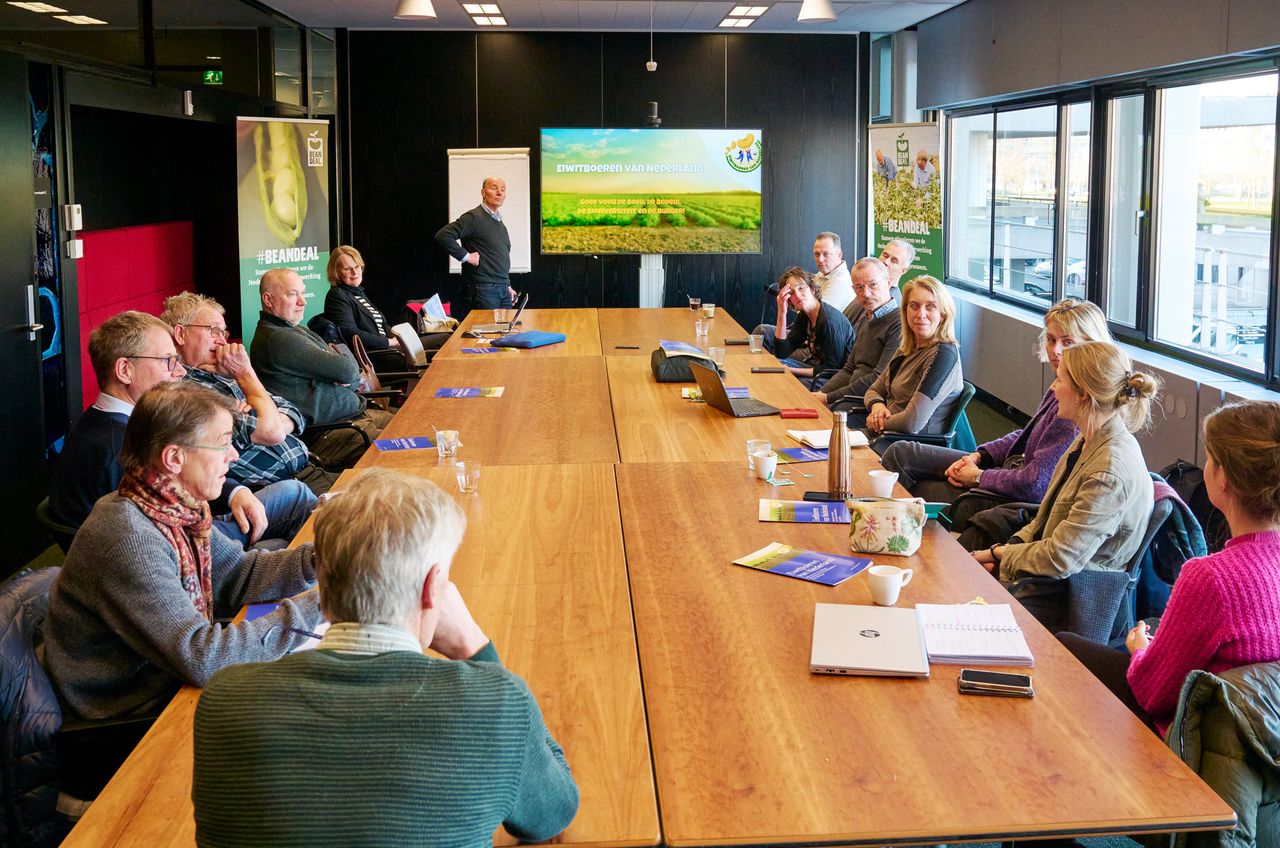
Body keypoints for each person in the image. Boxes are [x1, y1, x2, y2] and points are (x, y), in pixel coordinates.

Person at [192, 468, 579, 846]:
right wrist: (474, 648)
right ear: (434, 589)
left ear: (322, 587)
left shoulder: (226, 700)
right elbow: (552, 814)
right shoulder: (495, 702)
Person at [42, 381, 324, 723]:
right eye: (222, 443)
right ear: (174, 458)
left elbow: (238, 574)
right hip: (137, 712)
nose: (233, 455)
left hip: (171, 675)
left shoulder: (176, 508)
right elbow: (203, 658)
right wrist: (326, 601)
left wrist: (325, 557)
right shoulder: (130, 536)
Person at [1058, 400, 1280, 736]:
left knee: (1063, 645)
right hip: (1262, 736)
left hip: (1198, 733)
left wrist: (1140, 651)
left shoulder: (1209, 577)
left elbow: (1153, 693)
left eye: (1210, 459)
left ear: (1223, 480)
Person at [49, 310, 312, 547]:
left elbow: (180, 486)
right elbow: (170, 532)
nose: (180, 372)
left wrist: (234, 492)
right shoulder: (124, 447)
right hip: (175, 553)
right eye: (167, 361)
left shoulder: (106, 424)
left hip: (168, 538)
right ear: (125, 370)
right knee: (295, 495)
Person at [974, 341, 1159, 632]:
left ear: (1083, 394)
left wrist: (1000, 556)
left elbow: (1061, 558)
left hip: (1069, 598)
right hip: (1048, 582)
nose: (1054, 388)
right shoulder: (1088, 440)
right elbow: (1045, 521)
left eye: (1061, 380)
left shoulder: (1108, 471)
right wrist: (1006, 550)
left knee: (964, 600)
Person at [881, 298, 1110, 519]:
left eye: (1067, 342)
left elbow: (1035, 485)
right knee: (901, 453)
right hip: (1006, 472)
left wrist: (980, 477)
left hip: (1014, 504)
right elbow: (1025, 435)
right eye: (1051, 340)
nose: (1055, 350)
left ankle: (885, 529)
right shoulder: (1061, 382)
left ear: (1091, 345)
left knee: (919, 485)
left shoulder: (1079, 403)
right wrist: (979, 456)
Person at [162, 292, 326, 495]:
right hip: (273, 493)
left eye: (224, 333)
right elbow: (271, 431)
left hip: (310, 468)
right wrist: (245, 373)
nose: (222, 342)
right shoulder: (182, 390)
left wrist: (267, 417)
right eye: (213, 331)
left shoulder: (222, 372)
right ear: (180, 334)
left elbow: (292, 411)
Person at [250, 268, 393, 468]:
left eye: (302, 292)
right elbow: (348, 370)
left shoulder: (292, 328)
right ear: (268, 299)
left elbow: (344, 365)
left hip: (354, 417)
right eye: (292, 294)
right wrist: (340, 371)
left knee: (415, 427)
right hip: (333, 432)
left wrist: (340, 370)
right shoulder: (278, 338)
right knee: (406, 446)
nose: (303, 301)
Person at [858, 275, 964, 451]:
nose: (920, 314)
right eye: (914, 306)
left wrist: (875, 422)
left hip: (910, 447)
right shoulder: (908, 347)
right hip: (886, 436)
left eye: (930, 307)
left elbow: (912, 423)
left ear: (943, 314)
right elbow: (874, 390)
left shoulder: (943, 355)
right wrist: (876, 405)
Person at [813, 257, 901, 409]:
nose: (866, 293)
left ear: (888, 283)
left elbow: (878, 378)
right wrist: (820, 394)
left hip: (869, 404)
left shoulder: (899, 323)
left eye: (873, 285)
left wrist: (828, 397)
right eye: (859, 288)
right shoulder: (867, 317)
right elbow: (849, 369)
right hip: (848, 396)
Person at [754, 232, 855, 347]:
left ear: (839, 255)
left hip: (816, 344)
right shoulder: (822, 274)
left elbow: (812, 317)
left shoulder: (839, 283)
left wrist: (790, 304)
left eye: (826, 254)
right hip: (805, 332)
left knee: (762, 332)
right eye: (817, 254)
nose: (820, 259)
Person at [434, 176, 518, 313]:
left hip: (502, 289)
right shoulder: (474, 217)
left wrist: (507, 285)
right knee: (488, 332)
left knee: (505, 333)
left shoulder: (500, 223)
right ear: (483, 192)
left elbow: (500, 257)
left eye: (503, 189)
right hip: (484, 289)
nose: (499, 192)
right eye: (494, 188)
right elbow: (443, 235)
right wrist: (466, 256)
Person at [768, 266, 854, 382]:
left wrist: (792, 370)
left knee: (787, 381)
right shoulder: (805, 315)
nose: (797, 295)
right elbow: (782, 352)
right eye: (792, 293)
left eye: (801, 288)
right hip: (818, 370)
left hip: (837, 379)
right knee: (775, 365)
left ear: (812, 289)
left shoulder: (828, 321)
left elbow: (833, 369)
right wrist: (782, 312)